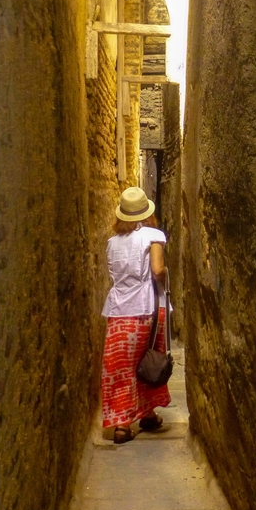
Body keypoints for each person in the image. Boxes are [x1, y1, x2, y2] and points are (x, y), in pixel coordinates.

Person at [101, 186, 171, 444]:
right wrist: (167, 274)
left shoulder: (112, 243)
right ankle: (143, 416)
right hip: (146, 309)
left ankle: (126, 422)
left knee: (121, 366)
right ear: (146, 212)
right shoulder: (153, 235)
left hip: (119, 311)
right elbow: (157, 270)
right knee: (147, 360)